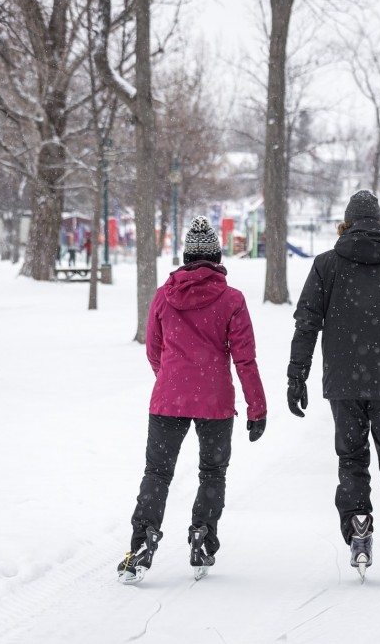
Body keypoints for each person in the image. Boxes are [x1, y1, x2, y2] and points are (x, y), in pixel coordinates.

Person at [287, 190, 380, 589]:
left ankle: (358, 530)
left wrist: (296, 374)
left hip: (344, 383)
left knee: (351, 458)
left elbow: (306, 322)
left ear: (347, 223)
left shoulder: (326, 266)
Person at [117, 216, 267, 585]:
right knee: (213, 472)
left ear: (185, 257)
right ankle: (202, 536)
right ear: (216, 256)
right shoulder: (232, 299)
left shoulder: (164, 295)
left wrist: (173, 378)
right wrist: (256, 407)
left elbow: (153, 349)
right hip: (215, 402)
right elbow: (244, 358)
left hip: (168, 399)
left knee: (157, 473)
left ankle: (142, 542)